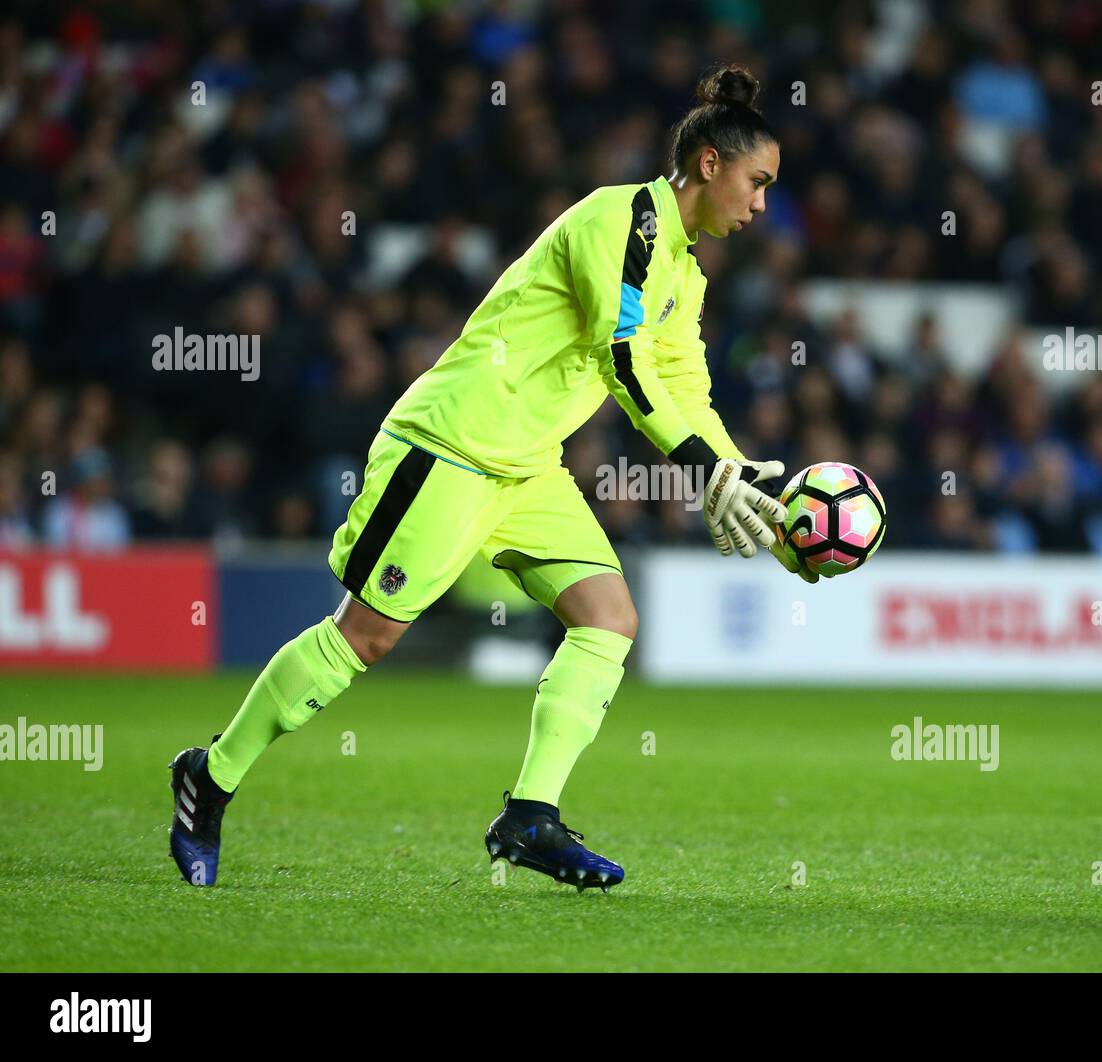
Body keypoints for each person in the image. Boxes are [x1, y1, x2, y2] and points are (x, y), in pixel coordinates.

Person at [168, 63, 810, 892]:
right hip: (451, 445)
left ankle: (530, 817)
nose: (762, 205)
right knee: (364, 638)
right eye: (758, 183)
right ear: (713, 164)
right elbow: (622, 358)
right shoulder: (625, 221)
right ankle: (209, 777)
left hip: (527, 469)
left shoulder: (683, 272)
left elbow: (685, 384)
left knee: (609, 619)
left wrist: (736, 474)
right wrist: (698, 466)